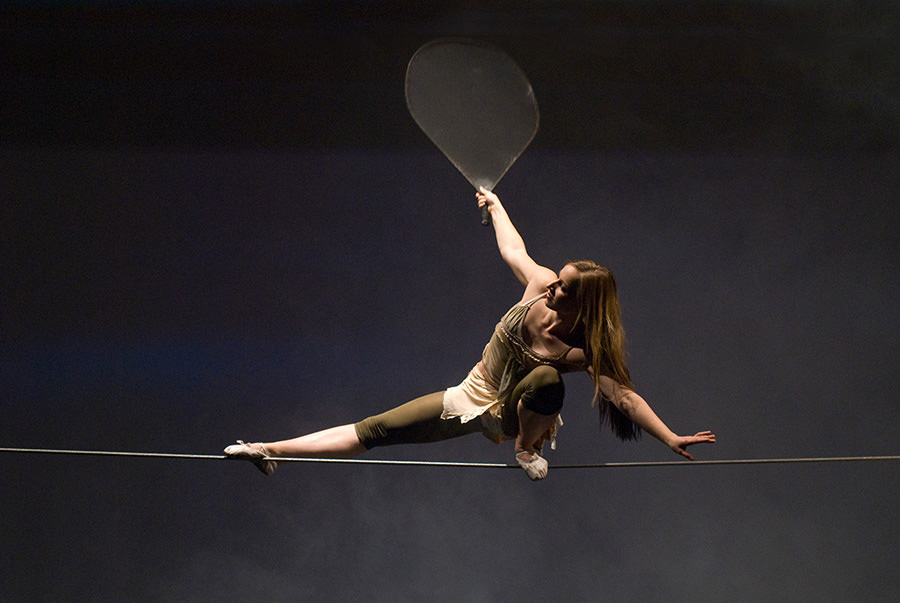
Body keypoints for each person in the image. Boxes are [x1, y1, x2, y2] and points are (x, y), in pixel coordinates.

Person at [225, 187, 716, 480]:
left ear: (581, 302)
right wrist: (497, 207)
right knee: (374, 429)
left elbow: (623, 397)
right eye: (555, 281)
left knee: (547, 380)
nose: (550, 290)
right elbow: (514, 249)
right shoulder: (540, 284)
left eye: (563, 289)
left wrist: (669, 436)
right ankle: (270, 450)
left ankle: (525, 447)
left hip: (515, 414)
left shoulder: (581, 349)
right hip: (470, 395)